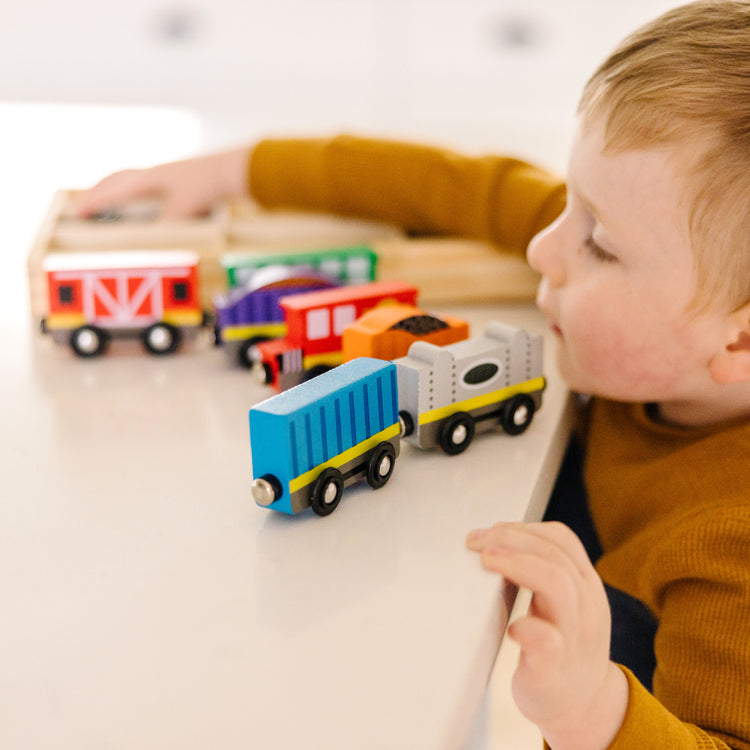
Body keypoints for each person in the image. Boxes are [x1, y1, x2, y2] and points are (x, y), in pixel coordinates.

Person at [77, 2, 750, 748]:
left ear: (742, 337)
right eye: (568, 203)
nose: (542, 248)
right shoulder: (681, 299)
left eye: (602, 247)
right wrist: (238, 167)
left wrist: (596, 712)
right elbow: (449, 184)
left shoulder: (732, 543)